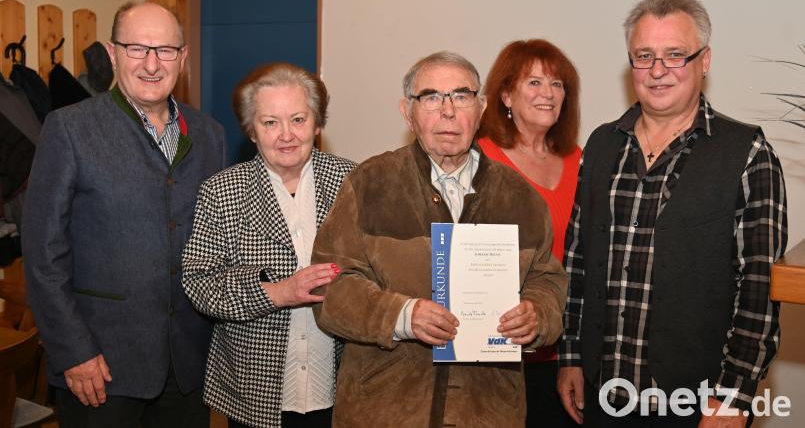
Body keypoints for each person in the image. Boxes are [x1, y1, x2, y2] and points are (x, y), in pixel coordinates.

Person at [557, 0, 787, 428]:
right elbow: (578, 263)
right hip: (602, 396)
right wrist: (571, 356)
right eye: (644, 56)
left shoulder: (748, 153)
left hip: (694, 405)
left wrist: (734, 397)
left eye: (675, 55)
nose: (658, 70)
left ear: (705, 61)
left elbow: (758, 289)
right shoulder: (601, 146)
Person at [310, 51, 568, 427]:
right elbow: (328, 287)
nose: (447, 111)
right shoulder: (370, 184)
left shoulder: (520, 197)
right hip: (384, 411)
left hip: (488, 410)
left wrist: (537, 315)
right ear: (407, 112)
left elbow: (548, 282)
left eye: (461, 96)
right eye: (431, 97)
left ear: (480, 108)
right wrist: (402, 316)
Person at [22, 1, 226, 428]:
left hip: (188, 365)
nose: (151, 64)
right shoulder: (69, 129)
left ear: (183, 58)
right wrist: (73, 350)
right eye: (136, 48)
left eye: (166, 50)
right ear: (113, 54)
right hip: (100, 367)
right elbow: (43, 254)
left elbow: (219, 240)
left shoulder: (210, 135)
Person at [182, 63, 356, 428]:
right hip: (255, 392)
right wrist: (278, 292)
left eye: (298, 119)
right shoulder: (222, 192)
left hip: (341, 385)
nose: (286, 135)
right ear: (252, 131)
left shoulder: (351, 181)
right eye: (270, 122)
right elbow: (199, 283)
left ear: (317, 124)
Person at [478, 38, 581, 428]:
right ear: (505, 94)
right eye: (534, 83)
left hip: (568, 351)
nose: (548, 94)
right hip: (503, 351)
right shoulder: (481, 160)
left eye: (557, 84)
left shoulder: (580, 159)